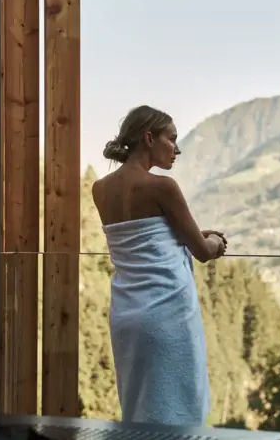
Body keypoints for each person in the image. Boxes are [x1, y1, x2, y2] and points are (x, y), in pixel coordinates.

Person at [91, 105, 227, 427]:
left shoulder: (101, 189)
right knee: (176, 409)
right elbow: (202, 251)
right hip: (167, 313)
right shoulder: (163, 187)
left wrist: (188, 234)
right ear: (149, 138)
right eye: (172, 139)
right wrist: (217, 242)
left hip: (127, 313)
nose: (177, 148)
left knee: (140, 406)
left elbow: (142, 239)